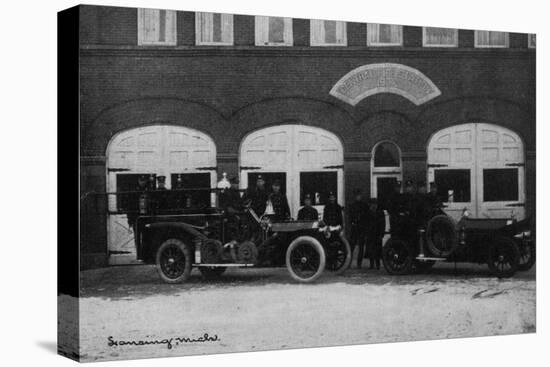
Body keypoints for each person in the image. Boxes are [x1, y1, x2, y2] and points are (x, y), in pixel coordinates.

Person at [348, 189, 367, 268]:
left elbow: (366, 217)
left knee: (361, 246)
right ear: (355, 196)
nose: (358, 197)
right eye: (357, 196)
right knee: (351, 246)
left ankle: (359, 264)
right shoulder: (352, 205)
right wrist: (352, 222)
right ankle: (349, 263)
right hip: (354, 227)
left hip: (361, 228)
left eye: (359, 195)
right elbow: (349, 217)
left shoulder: (364, 205)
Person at [365, 198, 385, 270]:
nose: (374, 206)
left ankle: (378, 265)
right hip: (370, 234)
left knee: (378, 250)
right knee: (370, 250)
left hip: (378, 234)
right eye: (372, 204)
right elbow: (365, 224)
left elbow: (383, 224)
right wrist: (366, 233)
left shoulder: (380, 213)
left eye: (375, 204)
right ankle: (371, 264)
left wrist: (382, 234)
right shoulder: (367, 213)